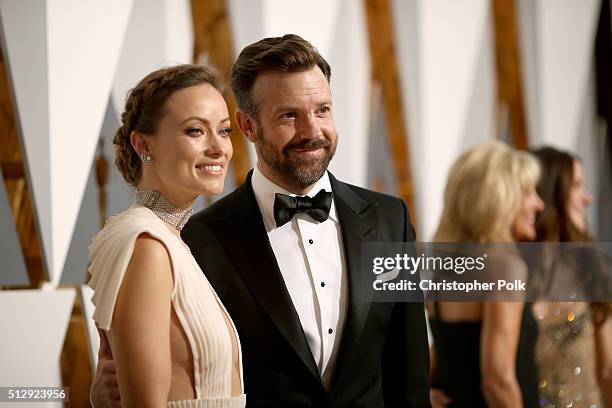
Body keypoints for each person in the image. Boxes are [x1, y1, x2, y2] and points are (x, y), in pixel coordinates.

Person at [91, 34, 431, 407]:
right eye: (289, 115)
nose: (312, 131)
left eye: (322, 110)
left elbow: (408, 365)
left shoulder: (389, 218)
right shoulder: (198, 238)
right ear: (249, 127)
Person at [87, 64, 245, 407]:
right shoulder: (147, 244)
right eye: (195, 131)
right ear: (144, 144)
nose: (219, 148)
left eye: (224, 130)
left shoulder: (171, 241)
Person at [428, 141, 543, 407]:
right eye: (527, 192)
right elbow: (497, 381)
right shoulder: (503, 266)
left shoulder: (446, 269)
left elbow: (449, 350)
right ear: (498, 198)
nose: (539, 203)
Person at [529, 146, 612, 407]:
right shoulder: (506, 269)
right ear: (550, 194)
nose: (587, 198)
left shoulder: (589, 265)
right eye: (577, 186)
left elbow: (608, 367)